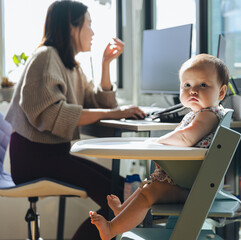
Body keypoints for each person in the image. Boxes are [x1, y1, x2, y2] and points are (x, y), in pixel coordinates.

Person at [5, 1, 145, 240]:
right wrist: (113, 114)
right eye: (89, 24)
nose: (92, 32)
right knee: (122, 196)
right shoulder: (46, 57)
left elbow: (98, 102)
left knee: (125, 193)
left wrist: (105, 65)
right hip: (34, 159)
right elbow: (55, 115)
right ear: (72, 26)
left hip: (52, 155)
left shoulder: (71, 65)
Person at [89, 53, 229, 240]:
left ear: (221, 92)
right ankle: (123, 211)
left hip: (192, 187)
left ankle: (112, 228)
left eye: (203, 85)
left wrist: (156, 142)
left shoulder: (208, 115)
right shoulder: (198, 114)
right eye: (187, 85)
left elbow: (186, 137)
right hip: (187, 181)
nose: (193, 91)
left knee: (149, 192)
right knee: (146, 187)